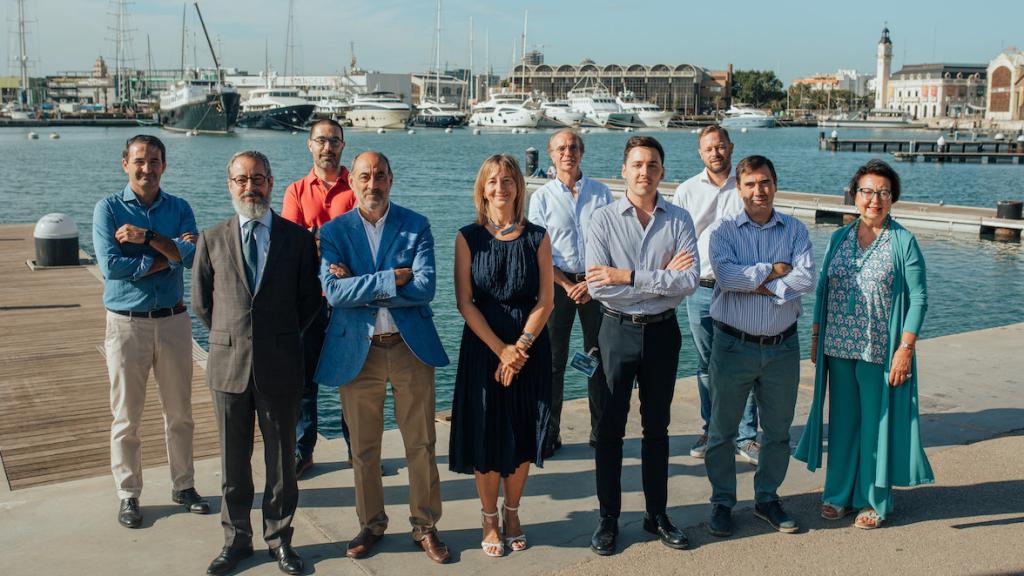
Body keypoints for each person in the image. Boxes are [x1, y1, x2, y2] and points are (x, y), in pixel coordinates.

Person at [315, 151, 451, 564]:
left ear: (391, 179)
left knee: (421, 444)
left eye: (379, 176)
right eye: (364, 176)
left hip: (409, 349)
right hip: (359, 351)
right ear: (351, 182)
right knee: (364, 449)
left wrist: (360, 283)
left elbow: (425, 287)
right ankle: (371, 524)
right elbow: (334, 294)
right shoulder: (335, 232)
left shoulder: (416, 225)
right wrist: (392, 278)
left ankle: (425, 526)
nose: (372, 184)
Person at [192, 150, 321, 576]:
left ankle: (279, 539)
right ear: (230, 184)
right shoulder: (211, 240)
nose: (251, 187)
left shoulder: (298, 240)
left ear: (271, 182)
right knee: (233, 463)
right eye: (242, 179)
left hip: (281, 365)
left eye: (259, 178)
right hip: (229, 367)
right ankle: (236, 540)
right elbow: (203, 305)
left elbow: (309, 305)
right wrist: (235, 338)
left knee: (282, 463)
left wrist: (275, 338)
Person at [795, 159, 933, 529]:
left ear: (893, 199)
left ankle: (874, 500)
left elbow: (918, 298)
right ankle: (838, 494)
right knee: (842, 425)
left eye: (883, 193)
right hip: (837, 347)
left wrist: (905, 349)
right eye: (868, 191)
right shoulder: (840, 237)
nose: (875, 199)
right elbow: (823, 287)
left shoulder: (903, 241)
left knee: (876, 425)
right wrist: (814, 336)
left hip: (878, 350)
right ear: (855, 196)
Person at [585, 136, 699, 555]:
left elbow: (687, 282)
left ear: (662, 171)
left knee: (657, 428)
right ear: (623, 171)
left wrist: (628, 276)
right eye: (636, 164)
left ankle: (657, 515)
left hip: (663, 333)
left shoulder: (680, 220)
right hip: (615, 332)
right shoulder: (601, 220)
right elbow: (599, 288)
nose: (644, 172)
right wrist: (657, 277)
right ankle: (608, 519)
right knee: (609, 430)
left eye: (652, 164)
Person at [92, 134, 209, 529]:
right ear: (125, 163)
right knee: (126, 417)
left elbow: (191, 256)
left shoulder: (179, 207)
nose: (147, 168)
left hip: (175, 322)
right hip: (126, 324)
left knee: (180, 413)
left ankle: (184, 485)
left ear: (164, 165)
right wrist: (166, 256)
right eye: (140, 161)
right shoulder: (107, 209)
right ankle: (128, 494)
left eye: (155, 161)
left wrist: (145, 240)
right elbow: (110, 267)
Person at [703, 155, 815, 538]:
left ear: (775, 184)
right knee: (722, 431)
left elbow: (805, 280)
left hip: (783, 348)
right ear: (739, 188)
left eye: (764, 182)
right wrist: (774, 269)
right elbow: (727, 277)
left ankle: (767, 498)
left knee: (778, 431)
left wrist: (761, 279)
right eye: (750, 184)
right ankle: (722, 502)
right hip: (734, 345)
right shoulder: (723, 232)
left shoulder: (796, 230)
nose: (758, 191)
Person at [449, 154, 555, 557]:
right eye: (492, 181)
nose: (500, 188)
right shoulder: (467, 237)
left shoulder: (538, 237)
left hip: (529, 347)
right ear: (482, 189)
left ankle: (513, 512)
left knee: (522, 432)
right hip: (483, 348)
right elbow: (465, 302)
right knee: (485, 433)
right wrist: (502, 351)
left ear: (518, 187)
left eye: (508, 180)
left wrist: (521, 347)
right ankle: (489, 517)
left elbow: (546, 300)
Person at [672, 125, 760, 465]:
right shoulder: (686, 190)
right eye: (709, 148)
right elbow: (675, 237)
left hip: (742, 289)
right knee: (707, 364)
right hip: (702, 289)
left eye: (721, 146)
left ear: (731, 147)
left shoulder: (747, 187)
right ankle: (711, 430)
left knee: (744, 361)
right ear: (700, 152)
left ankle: (746, 436)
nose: (716, 153)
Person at [527, 129, 613, 458]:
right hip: (557, 285)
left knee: (598, 358)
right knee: (552, 362)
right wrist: (566, 284)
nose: (568, 152)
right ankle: (549, 433)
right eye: (561, 148)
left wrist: (591, 285)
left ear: (582, 152)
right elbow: (539, 251)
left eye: (574, 147)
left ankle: (601, 430)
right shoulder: (542, 198)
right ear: (551, 154)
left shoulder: (602, 194)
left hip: (595, 285)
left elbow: (612, 243)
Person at [282, 118, 356, 478]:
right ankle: (302, 449)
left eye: (335, 141)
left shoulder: (357, 186)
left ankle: (358, 449)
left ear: (343, 146)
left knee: (353, 376)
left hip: (348, 299)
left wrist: (317, 241)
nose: (328, 147)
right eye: (321, 140)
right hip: (308, 298)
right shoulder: (296, 190)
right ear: (309, 145)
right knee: (304, 379)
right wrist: (332, 247)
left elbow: (365, 238)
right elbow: (291, 244)